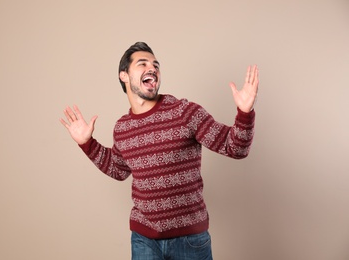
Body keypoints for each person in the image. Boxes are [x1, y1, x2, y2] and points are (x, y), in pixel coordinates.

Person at [60, 42, 259, 260]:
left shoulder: (184, 111)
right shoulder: (123, 127)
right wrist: (87, 143)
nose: (152, 68)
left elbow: (236, 147)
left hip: (190, 240)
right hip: (143, 239)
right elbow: (118, 170)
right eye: (142, 63)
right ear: (124, 75)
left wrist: (244, 112)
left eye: (156, 65)